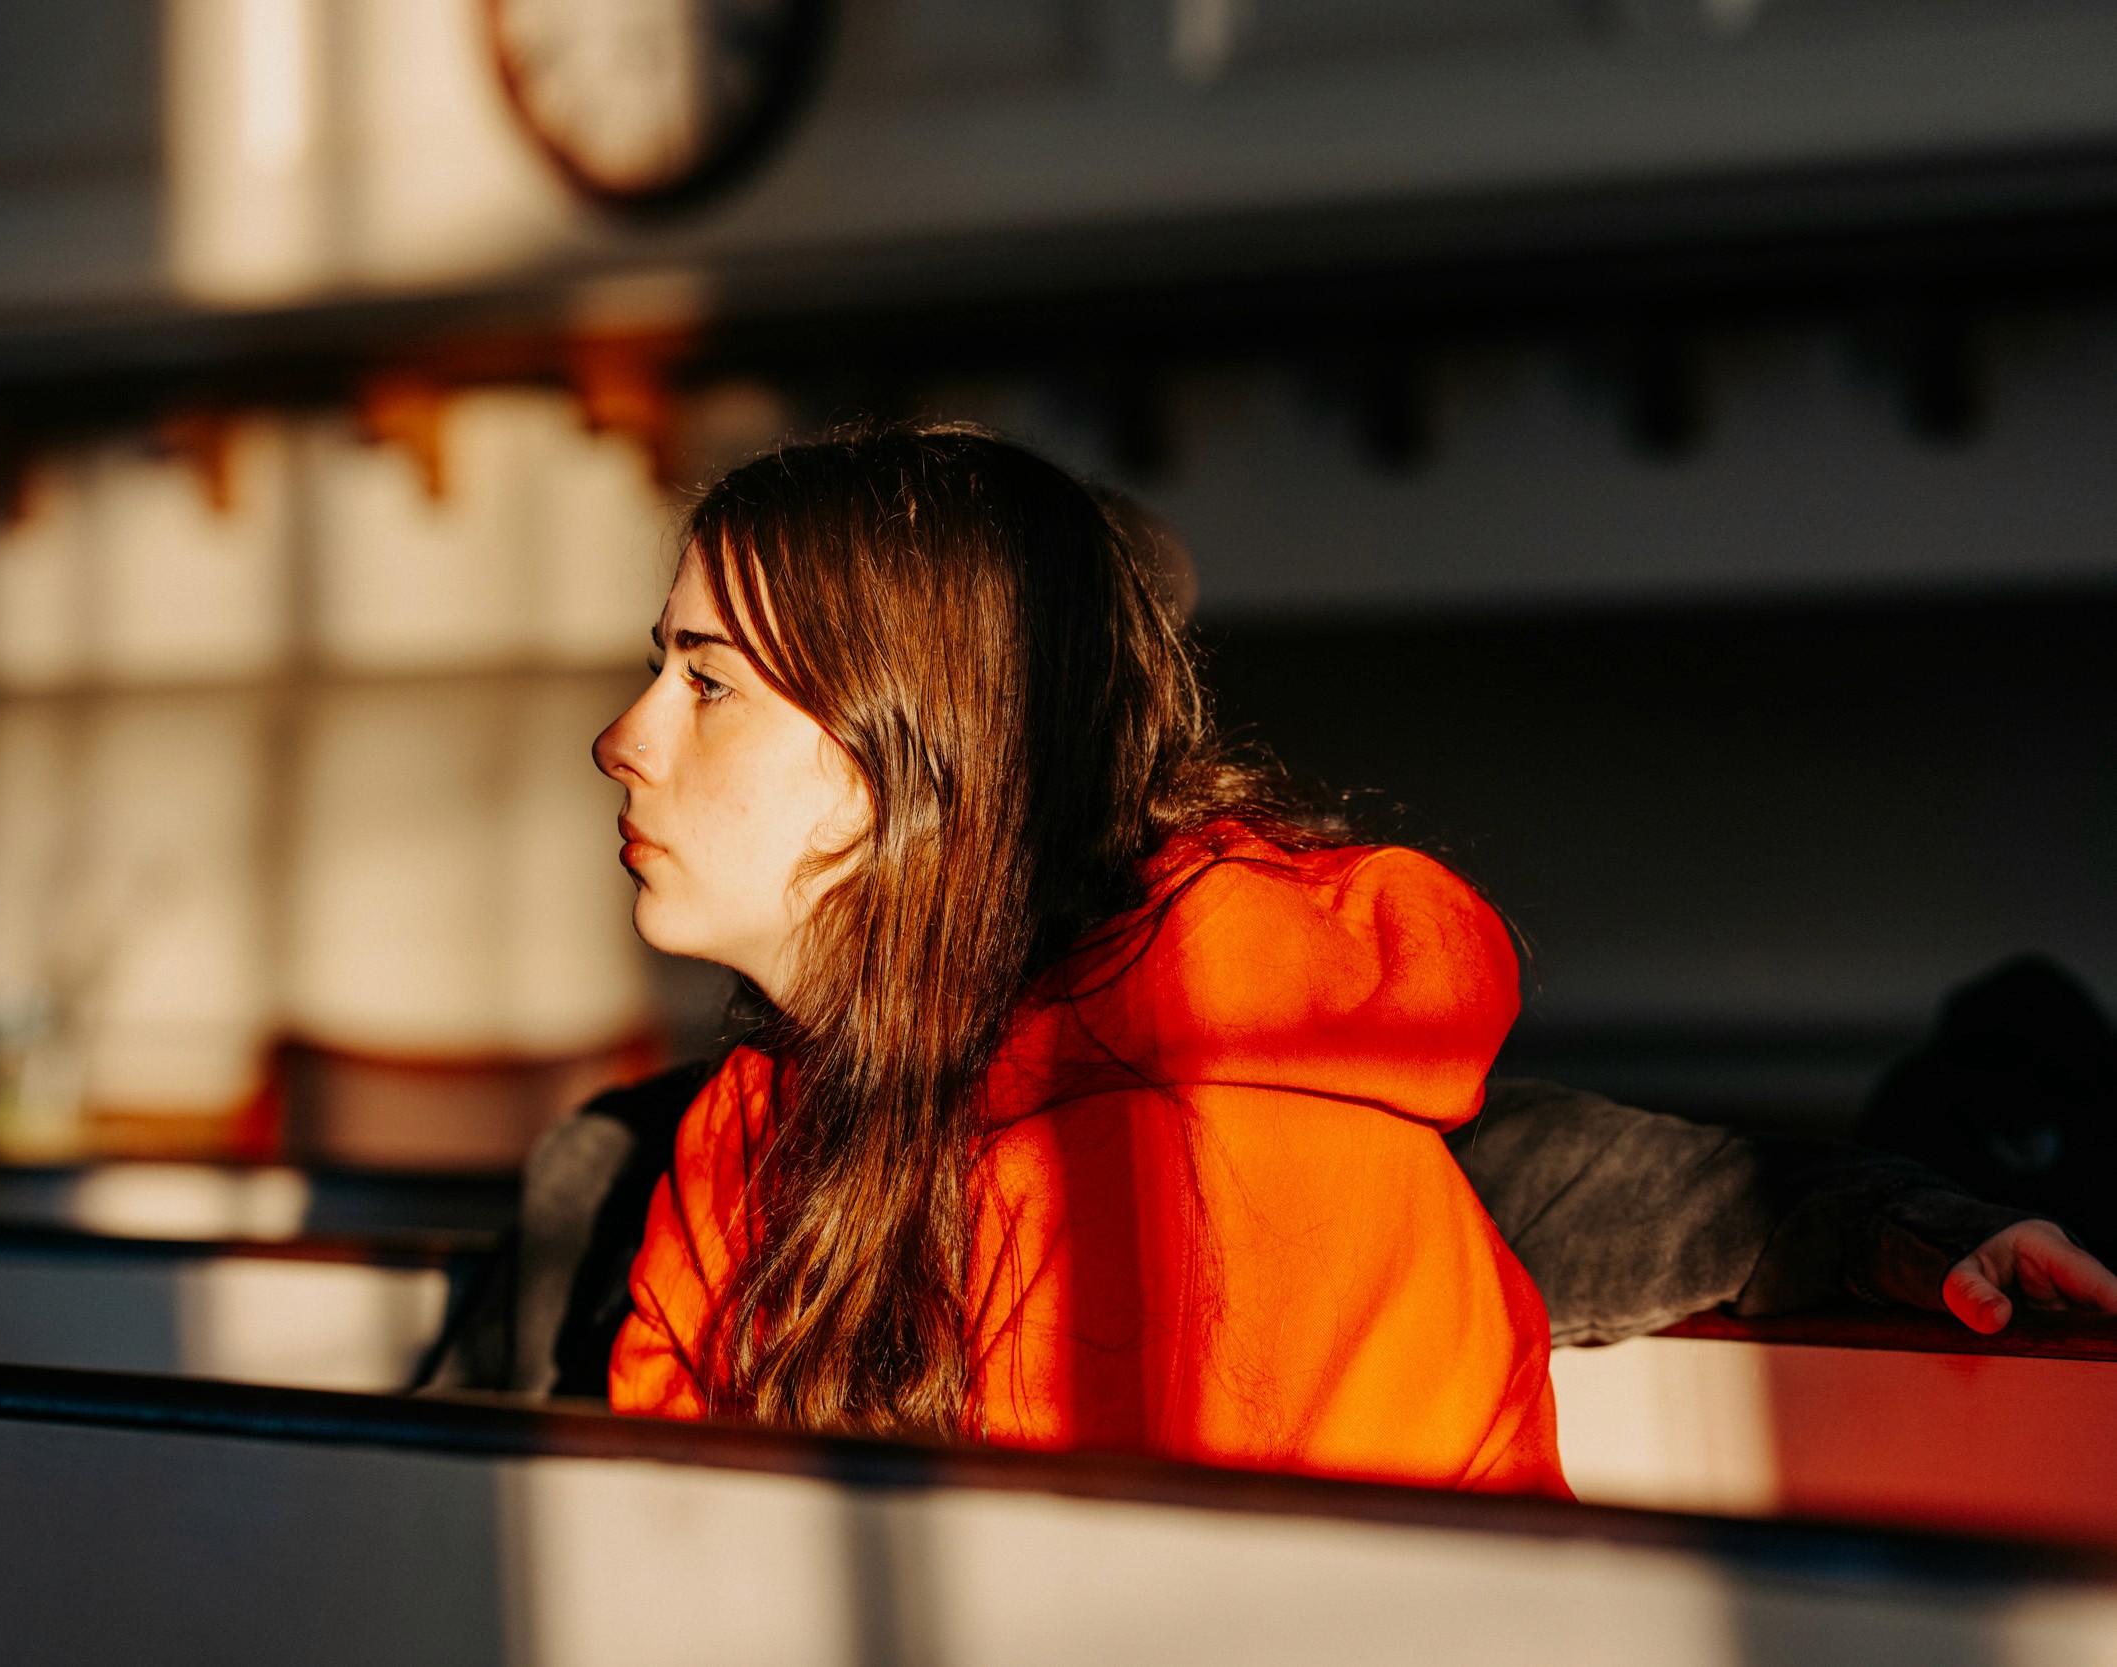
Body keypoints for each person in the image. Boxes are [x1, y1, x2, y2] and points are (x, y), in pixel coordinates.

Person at [586, 423, 1566, 1494]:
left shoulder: (1223, 1169)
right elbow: (663, 1552)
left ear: (925, 742)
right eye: (658, 669)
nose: (621, 740)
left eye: (710, 684)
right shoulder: (749, 1129)